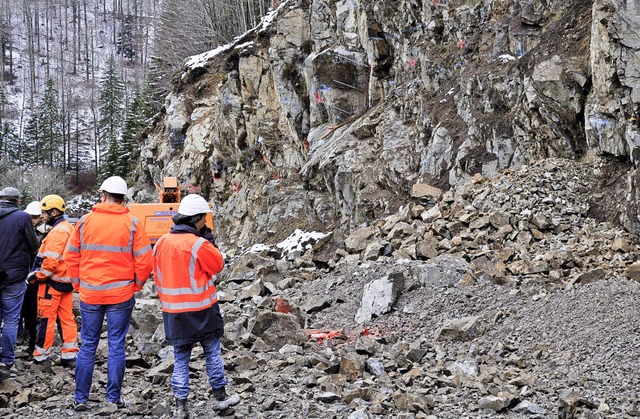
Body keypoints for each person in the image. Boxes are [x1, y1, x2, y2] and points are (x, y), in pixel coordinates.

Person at [64, 176, 153, 411]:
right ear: (123, 199)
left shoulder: (84, 222)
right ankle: (113, 398)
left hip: (90, 294)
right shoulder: (132, 223)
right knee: (116, 345)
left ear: (103, 195)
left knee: (88, 344)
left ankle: (80, 398)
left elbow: (70, 256)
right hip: (121, 295)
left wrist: (78, 285)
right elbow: (145, 260)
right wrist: (137, 285)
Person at [153, 194, 239, 419]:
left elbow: (158, 276)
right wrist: (209, 242)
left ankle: (181, 407)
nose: (205, 223)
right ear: (197, 218)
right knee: (212, 353)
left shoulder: (162, 242)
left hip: (174, 313)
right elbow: (217, 264)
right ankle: (220, 398)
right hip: (202, 311)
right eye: (204, 220)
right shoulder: (198, 243)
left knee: (180, 359)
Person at [30, 195, 78, 367]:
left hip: (51, 285)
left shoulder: (57, 232)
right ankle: (69, 355)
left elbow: (50, 262)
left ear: (54, 212)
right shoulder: (68, 228)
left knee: (46, 320)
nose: (42, 216)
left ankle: (41, 357)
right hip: (66, 283)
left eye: (44, 212)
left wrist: (38, 277)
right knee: (67, 319)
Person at [0, 187, 39, 379]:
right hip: (14, 276)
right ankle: (7, 361)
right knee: (11, 319)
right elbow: (34, 245)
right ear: (17, 200)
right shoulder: (22, 217)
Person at [19, 201, 50, 356]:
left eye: (35, 217)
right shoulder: (28, 230)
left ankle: (34, 344)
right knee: (27, 312)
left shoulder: (47, 233)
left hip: (39, 278)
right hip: (30, 276)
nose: (32, 220)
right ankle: (29, 340)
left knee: (34, 313)